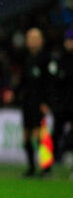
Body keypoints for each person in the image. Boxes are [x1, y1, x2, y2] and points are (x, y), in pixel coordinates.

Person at [16, 28, 50, 177]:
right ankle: (31, 168)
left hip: (39, 102)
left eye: (35, 37)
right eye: (30, 37)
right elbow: (22, 81)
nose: (32, 40)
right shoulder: (26, 58)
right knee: (26, 138)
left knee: (39, 136)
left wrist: (47, 102)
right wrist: (14, 92)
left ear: (41, 40)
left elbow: (50, 83)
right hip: (27, 101)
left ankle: (45, 167)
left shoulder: (46, 58)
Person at [47, 28, 73, 166]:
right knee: (56, 132)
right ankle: (51, 159)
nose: (70, 43)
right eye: (69, 40)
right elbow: (53, 83)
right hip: (61, 104)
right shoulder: (59, 59)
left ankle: (66, 154)